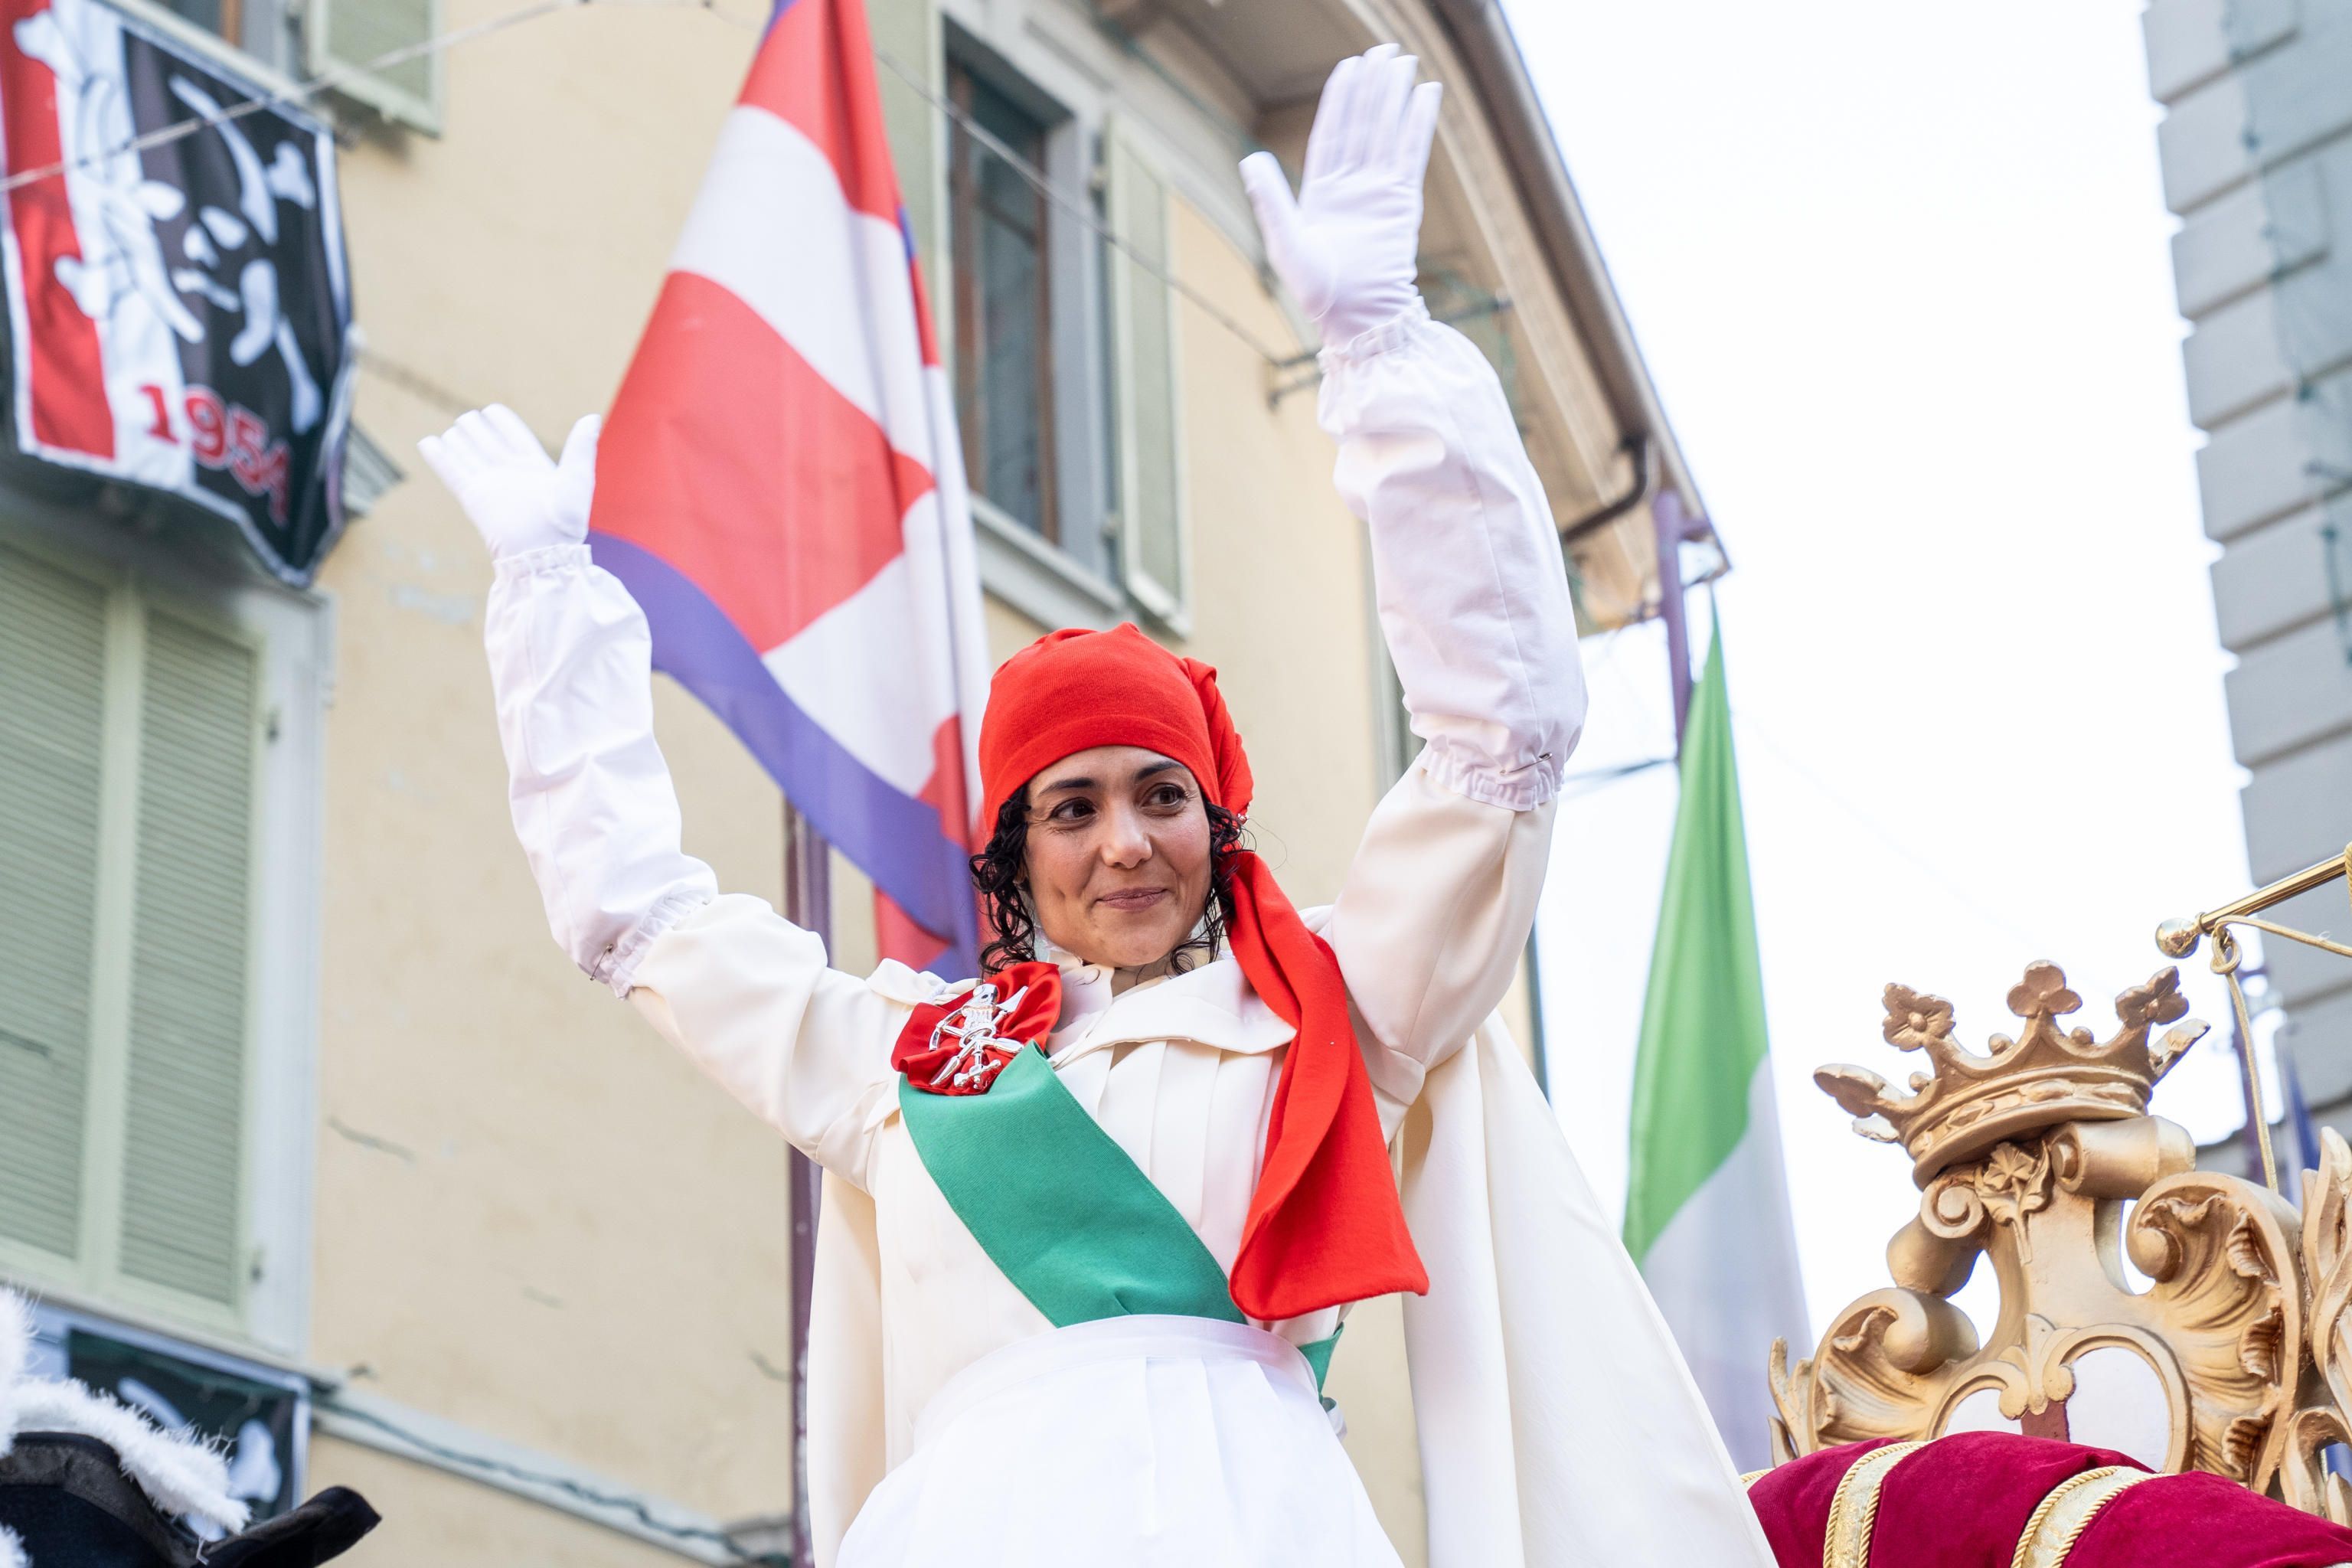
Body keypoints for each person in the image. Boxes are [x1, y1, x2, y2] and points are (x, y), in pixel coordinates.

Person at [421, 46, 1771, 1568]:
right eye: (1070, 808)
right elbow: (637, 915)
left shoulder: (1336, 1000)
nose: (1123, 839)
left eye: (1160, 794)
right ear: (1013, 858)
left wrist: (1384, 353)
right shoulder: (900, 1062)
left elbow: (1499, 734)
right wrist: (555, 610)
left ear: (1217, 822)